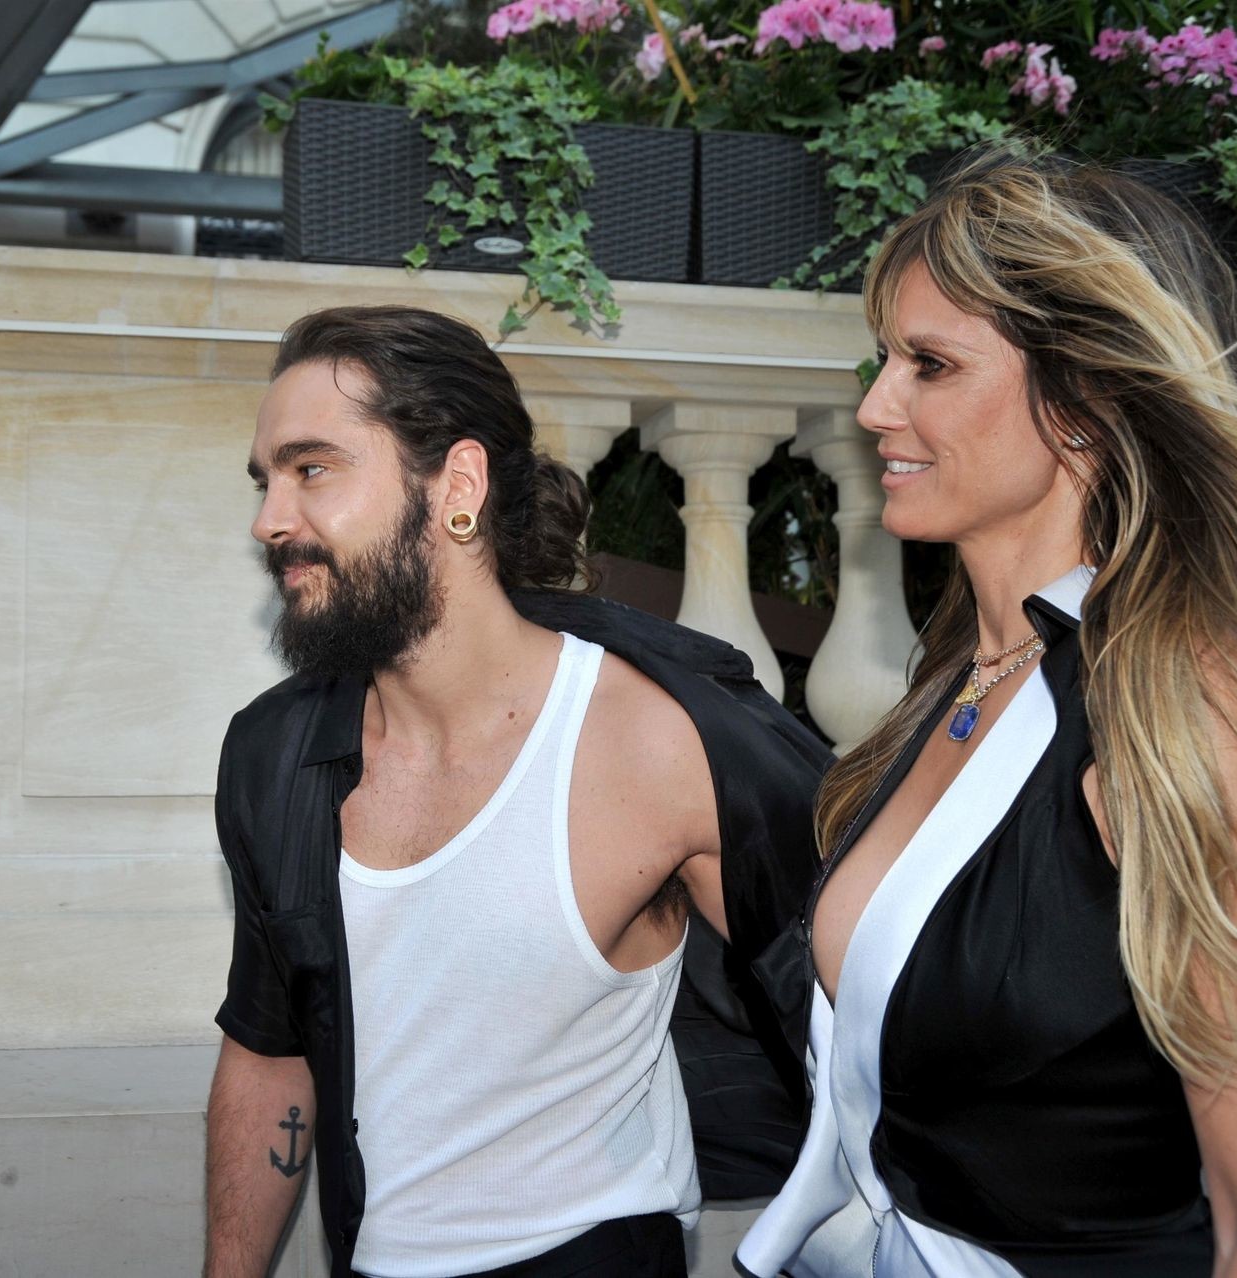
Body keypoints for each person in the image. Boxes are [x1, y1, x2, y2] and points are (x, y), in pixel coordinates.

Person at [736, 148, 1237, 1278]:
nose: (875, 405)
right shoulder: (967, 679)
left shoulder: (1189, 713)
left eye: (931, 365)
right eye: (885, 359)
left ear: (1084, 401)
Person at [203, 305, 833, 1278]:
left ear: (457, 486)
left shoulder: (654, 741)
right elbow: (269, 1046)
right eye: (267, 481)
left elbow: (862, 1028)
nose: (270, 520)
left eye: (312, 469)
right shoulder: (275, 754)